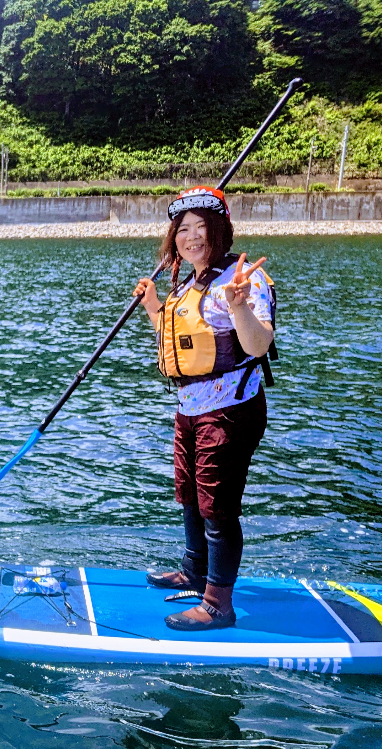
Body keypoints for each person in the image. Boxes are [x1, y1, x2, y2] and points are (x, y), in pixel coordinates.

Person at [132, 187, 275, 630]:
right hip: (190, 408)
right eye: (183, 230)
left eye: (201, 228)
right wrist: (154, 307)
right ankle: (194, 572)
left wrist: (238, 305)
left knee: (217, 506)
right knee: (190, 496)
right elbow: (182, 339)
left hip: (230, 410)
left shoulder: (243, 280)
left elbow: (258, 343)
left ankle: (217, 604)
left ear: (220, 231)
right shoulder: (187, 283)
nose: (191, 237)